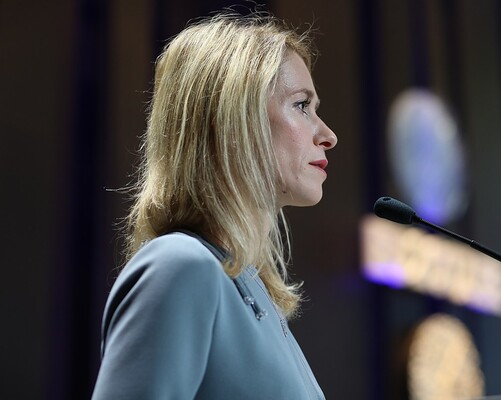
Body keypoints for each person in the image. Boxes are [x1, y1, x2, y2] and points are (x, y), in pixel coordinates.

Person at [91, 11, 337, 399]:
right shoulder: (180, 265)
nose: (328, 135)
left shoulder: (253, 290)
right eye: (302, 105)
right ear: (236, 118)